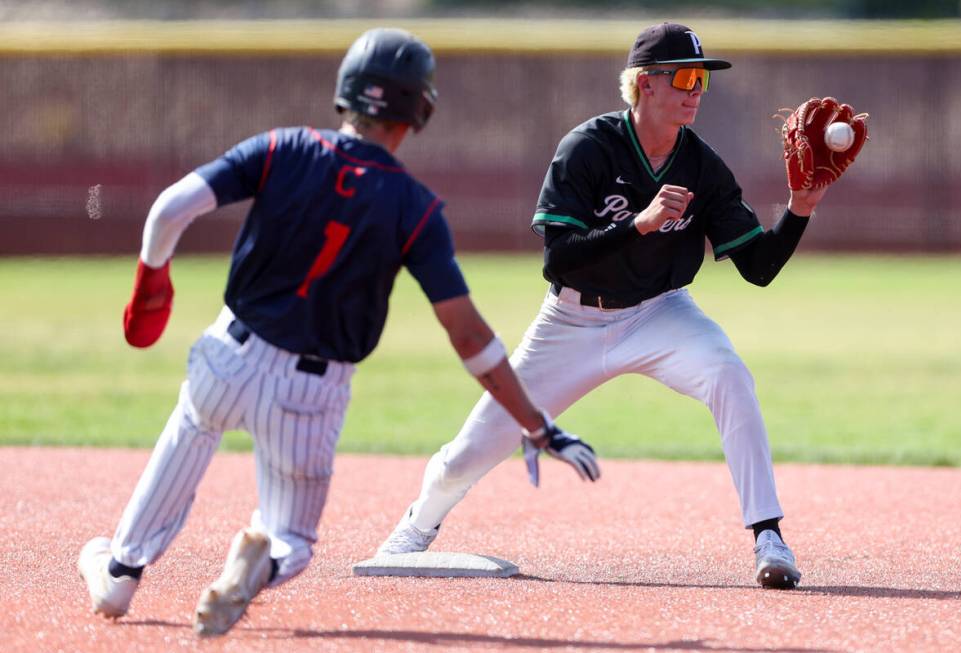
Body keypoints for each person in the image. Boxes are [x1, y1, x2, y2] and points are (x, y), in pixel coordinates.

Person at [77, 27, 599, 636]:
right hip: (310, 390)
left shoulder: (281, 147)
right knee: (293, 539)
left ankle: (120, 568)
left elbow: (170, 208)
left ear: (345, 93)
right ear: (420, 111)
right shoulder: (415, 207)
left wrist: (151, 284)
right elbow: (468, 335)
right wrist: (535, 423)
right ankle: (262, 560)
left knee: (192, 428)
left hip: (228, 354)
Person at [378, 22, 840, 590]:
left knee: (729, 373)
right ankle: (413, 531)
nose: (697, 89)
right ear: (646, 83)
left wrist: (800, 207)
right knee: (475, 447)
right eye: (686, 77)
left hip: (659, 314)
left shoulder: (703, 166)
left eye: (703, 79)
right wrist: (639, 225)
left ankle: (768, 535)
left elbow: (759, 268)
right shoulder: (589, 148)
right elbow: (559, 260)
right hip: (571, 321)